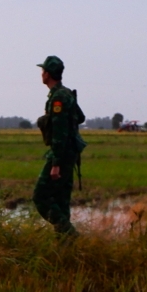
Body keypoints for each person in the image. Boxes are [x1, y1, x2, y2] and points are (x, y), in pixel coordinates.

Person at [33, 55, 85, 235]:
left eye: (43, 71)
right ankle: (65, 247)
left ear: (48, 74)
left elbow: (60, 133)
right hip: (70, 153)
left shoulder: (58, 99)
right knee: (61, 200)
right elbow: (81, 117)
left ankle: (69, 234)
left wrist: (55, 164)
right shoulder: (65, 93)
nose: (41, 74)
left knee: (40, 196)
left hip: (61, 154)